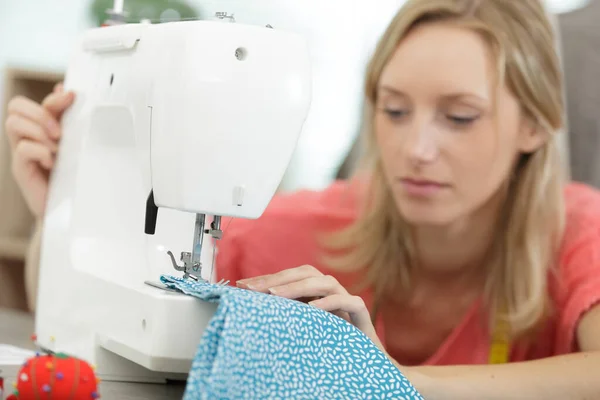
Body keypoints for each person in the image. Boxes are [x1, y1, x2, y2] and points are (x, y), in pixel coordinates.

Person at [6, 0, 600, 398]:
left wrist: (385, 380)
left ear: (535, 126)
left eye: (461, 117)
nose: (416, 148)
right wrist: (59, 213)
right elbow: (88, 314)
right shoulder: (309, 227)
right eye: (393, 111)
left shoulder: (577, 229)